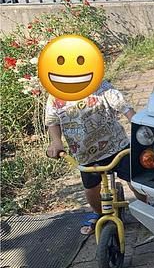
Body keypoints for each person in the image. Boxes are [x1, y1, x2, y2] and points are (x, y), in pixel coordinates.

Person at [45, 80, 144, 235]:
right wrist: (56, 142)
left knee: (135, 180)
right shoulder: (56, 96)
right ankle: (99, 213)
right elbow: (52, 122)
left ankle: (146, 208)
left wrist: (138, 125)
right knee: (91, 190)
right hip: (86, 155)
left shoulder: (100, 86)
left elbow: (123, 105)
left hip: (117, 146)